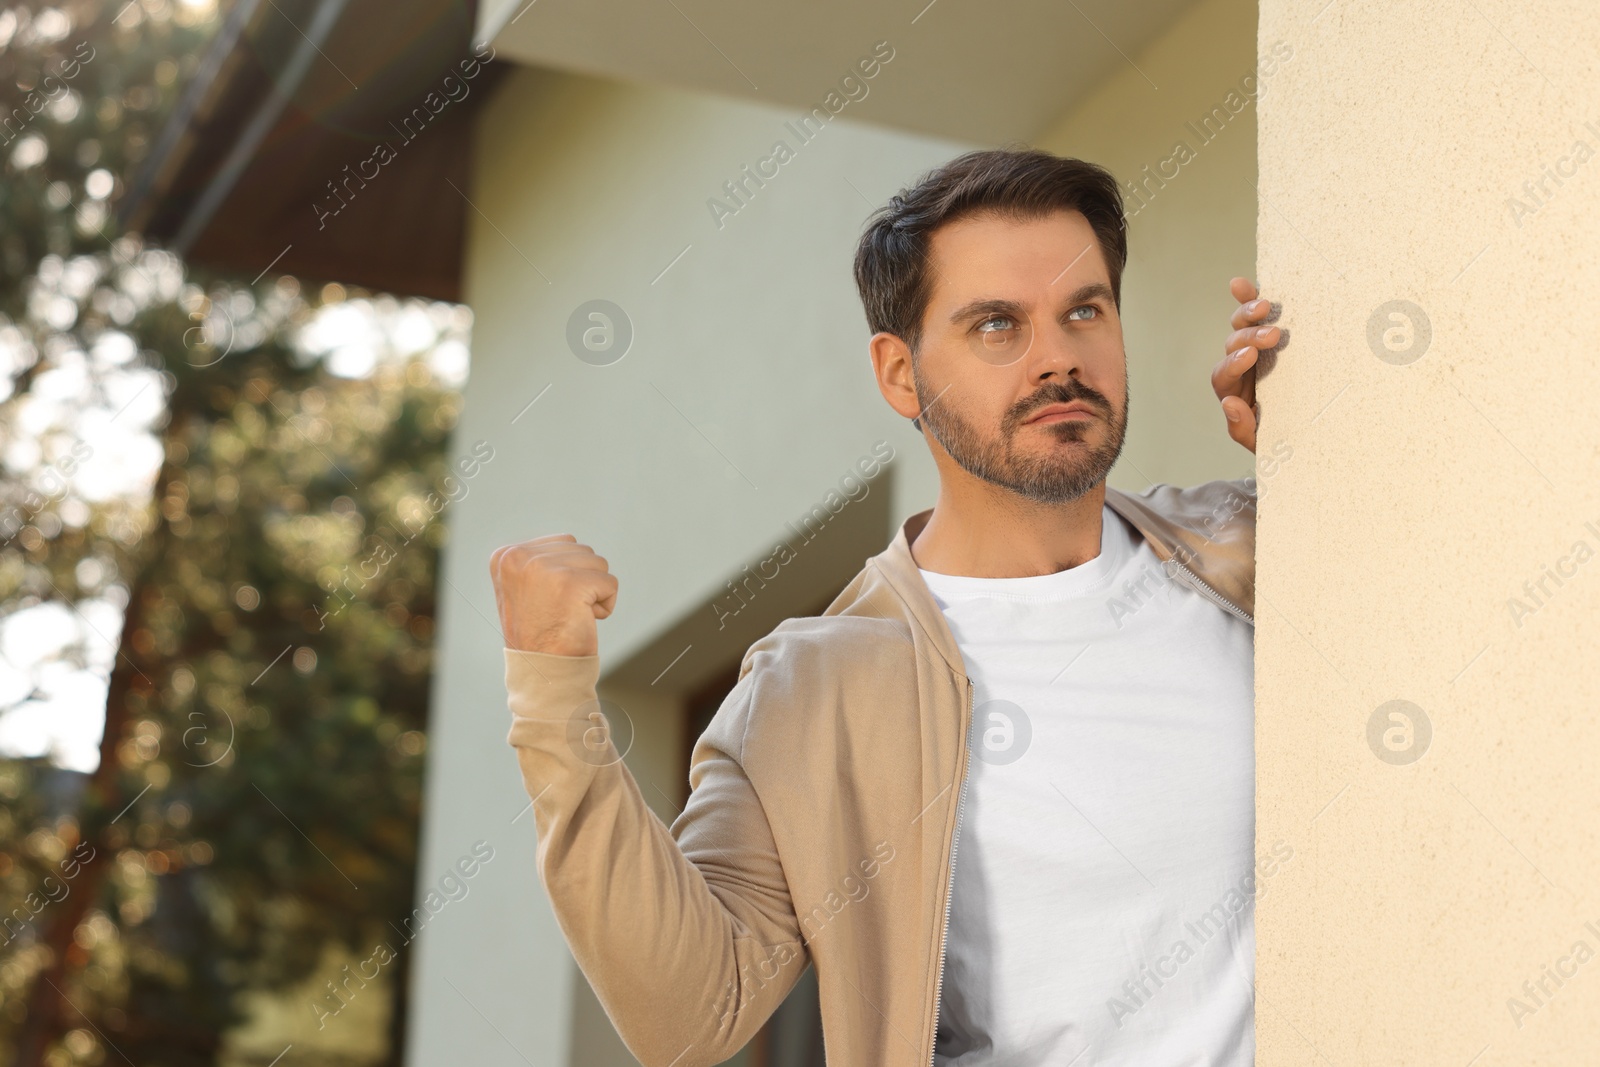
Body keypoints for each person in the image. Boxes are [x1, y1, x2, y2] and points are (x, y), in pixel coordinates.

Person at [490, 148, 1283, 1066]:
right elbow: (689, 1016)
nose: (1057, 358)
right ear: (900, 374)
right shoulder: (818, 687)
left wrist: (1323, 451)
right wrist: (550, 698)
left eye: (1084, 311)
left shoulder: (1240, 550)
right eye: (996, 325)